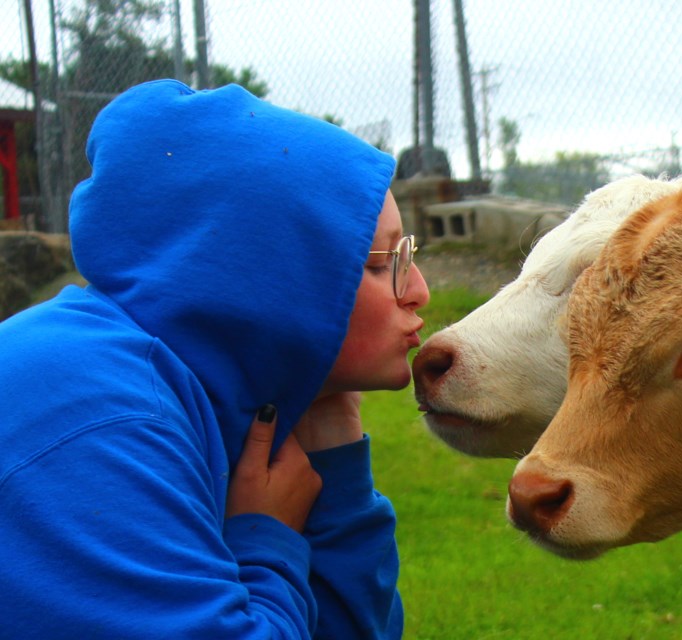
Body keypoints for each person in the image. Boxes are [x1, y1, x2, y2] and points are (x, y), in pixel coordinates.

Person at [0, 79, 428, 639]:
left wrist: (337, 463)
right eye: (381, 263)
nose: (417, 289)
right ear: (271, 277)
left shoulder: (207, 393)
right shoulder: (103, 415)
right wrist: (266, 539)